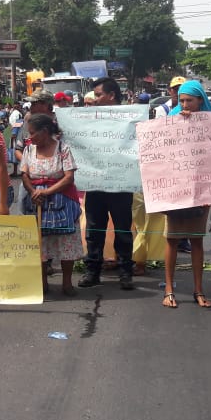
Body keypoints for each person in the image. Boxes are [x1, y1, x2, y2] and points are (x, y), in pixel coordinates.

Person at [161, 80, 211, 309]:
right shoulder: (170, 120)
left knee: (196, 241)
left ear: (200, 101)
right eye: (182, 100)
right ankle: (169, 289)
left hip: (200, 192)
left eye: (189, 100)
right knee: (172, 240)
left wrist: (210, 194)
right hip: (175, 189)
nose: (184, 104)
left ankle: (198, 289)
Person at [79, 78, 135, 290]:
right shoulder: (88, 118)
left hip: (121, 184)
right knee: (94, 229)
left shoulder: (130, 118)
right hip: (95, 182)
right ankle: (92, 271)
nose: (95, 98)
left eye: (99, 94)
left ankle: (125, 272)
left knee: (122, 229)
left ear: (111, 95)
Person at [21, 114, 83, 297]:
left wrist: (46, 192)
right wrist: (33, 192)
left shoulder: (63, 149)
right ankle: (42, 283)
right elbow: (24, 174)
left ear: (45, 131)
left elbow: (69, 177)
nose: (30, 137)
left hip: (61, 201)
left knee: (67, 243)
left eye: (33, 133)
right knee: (40, 244)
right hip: (36, 202)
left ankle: (67, 283)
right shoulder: (29, 150)